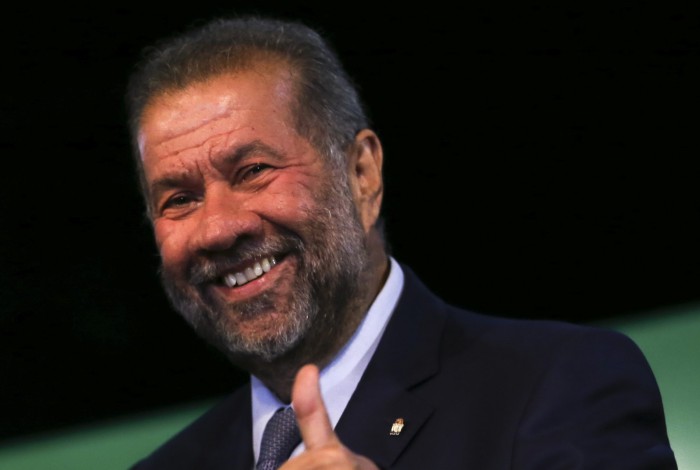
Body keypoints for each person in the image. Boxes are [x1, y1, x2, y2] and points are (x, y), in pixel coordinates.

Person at [124, 14, 677, 470]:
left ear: (361, 175)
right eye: (179, 199)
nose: (218, 228)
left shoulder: (561, 384)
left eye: (253, 171)